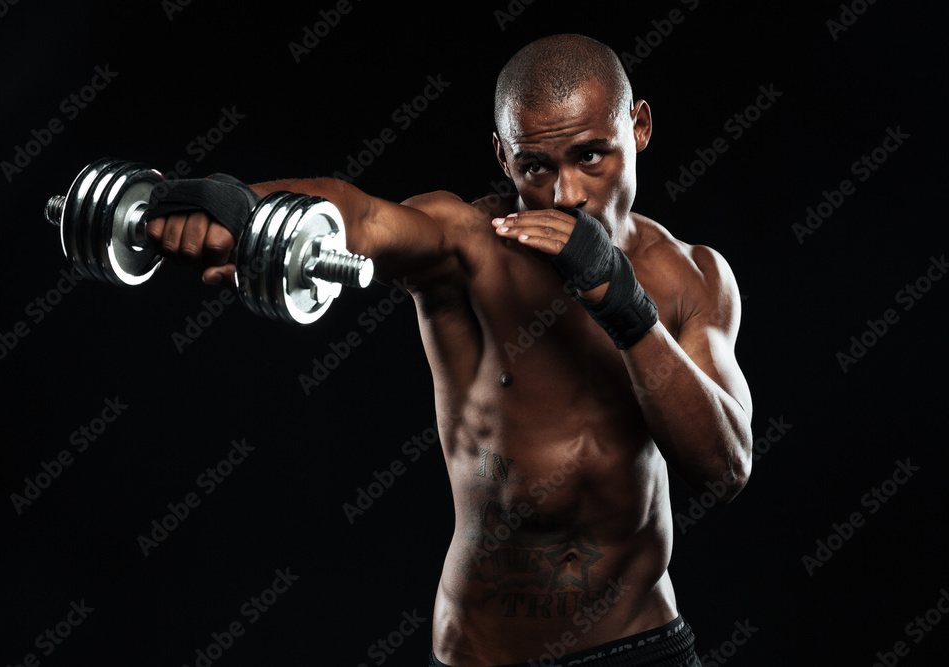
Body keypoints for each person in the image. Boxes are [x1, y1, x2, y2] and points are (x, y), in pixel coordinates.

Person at [145, 34, 753, 667]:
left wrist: (624, 305)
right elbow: (360, 214)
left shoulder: (693, 277)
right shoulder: (466, 246)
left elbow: (725, 469)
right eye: (535, 167)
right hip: (488, 653)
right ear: (502, 156)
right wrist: (235, 205)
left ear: (640, 126)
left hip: (640, 644)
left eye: (591, 156)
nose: (566, 195)